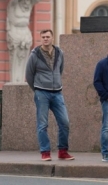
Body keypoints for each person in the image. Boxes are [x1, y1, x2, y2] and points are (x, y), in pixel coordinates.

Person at [25, 28, 74, 161]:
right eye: (43, 37)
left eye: (47, 37)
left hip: (57, 93)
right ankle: (45, 152)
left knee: (64, 122)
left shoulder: (60, 53)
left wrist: (56, 82)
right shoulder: (35, 55)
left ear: (52, 38)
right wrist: (37, 89)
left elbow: (60, 70)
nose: (45, 39)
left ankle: (62, 151)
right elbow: (29, 75)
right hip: (42, 93)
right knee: (42, 124)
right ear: (40, 39)